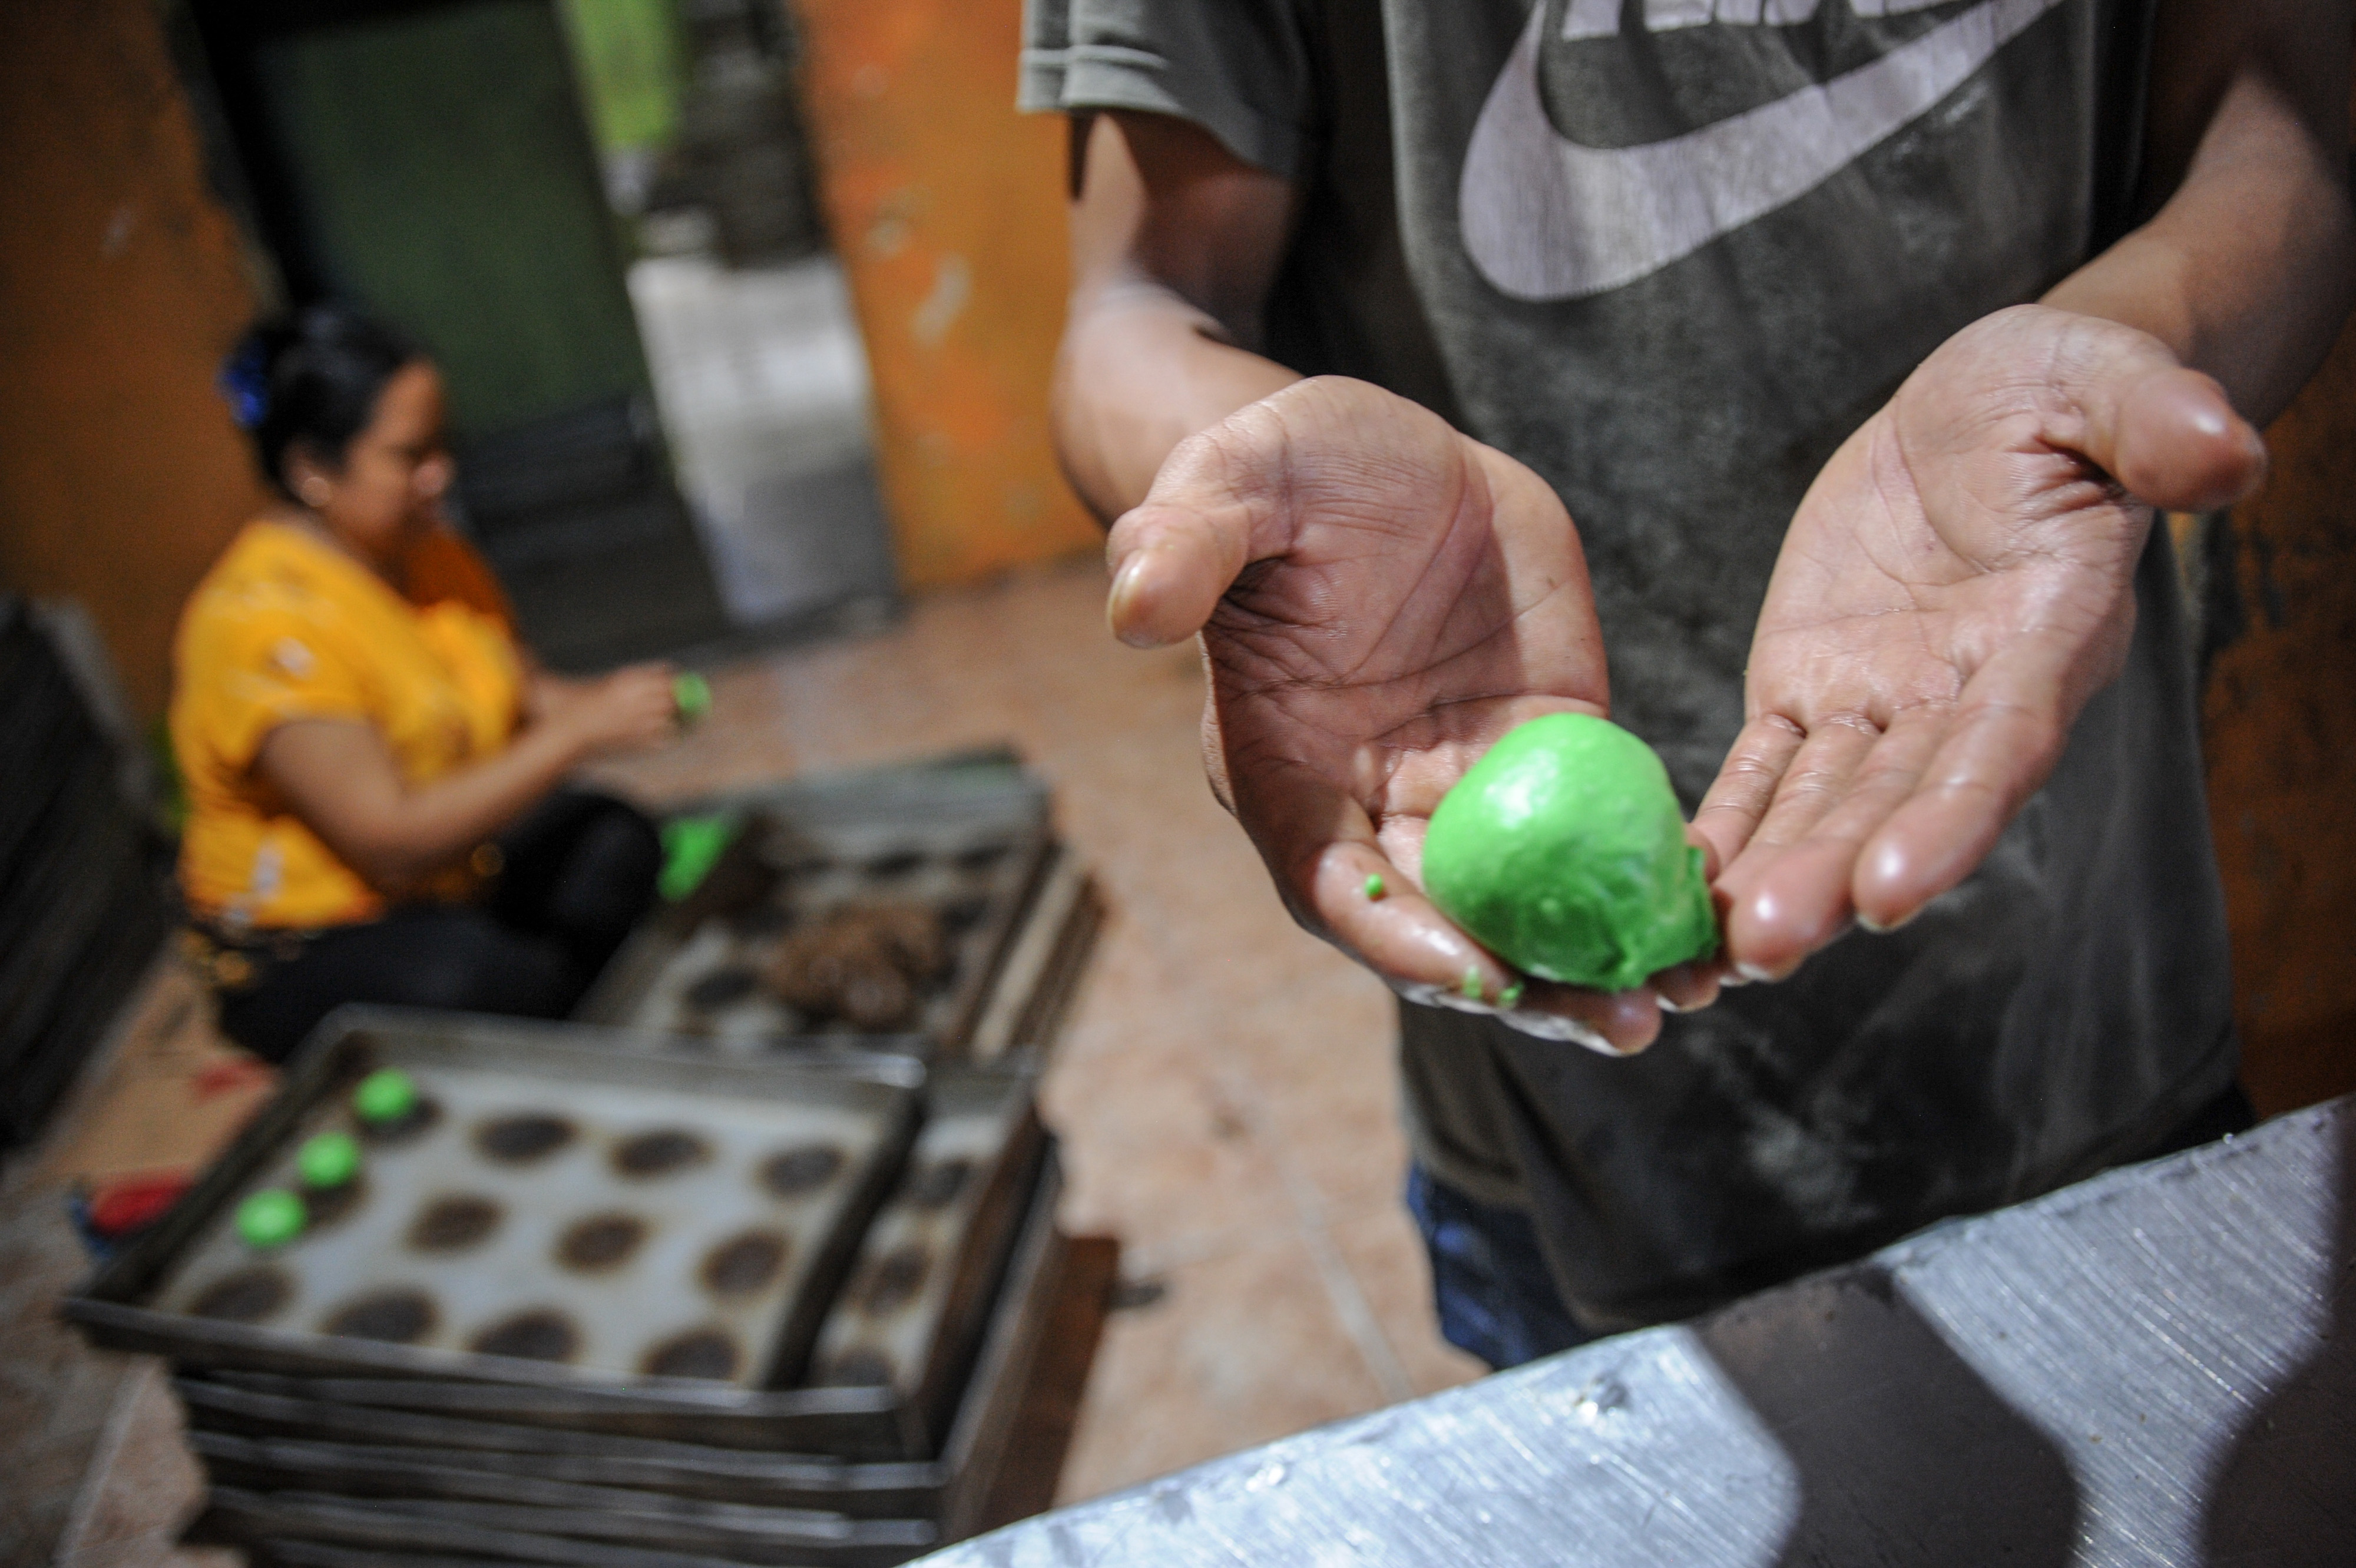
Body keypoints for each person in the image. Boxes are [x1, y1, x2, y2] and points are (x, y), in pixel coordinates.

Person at [1023, 0, 2353, 1365]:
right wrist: (1231, 459)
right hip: (1564, 1139)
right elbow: (1135, 305)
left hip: (2084, 989)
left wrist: (2137, 342)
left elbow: (2285, 139)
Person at [173, 306, 683, 1063]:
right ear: (312, 469)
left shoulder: (426, 551)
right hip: (313, 938)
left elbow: (524, 694)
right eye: (409, 456)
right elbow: (392, 843)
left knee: (616, 841)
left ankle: (539, 1017)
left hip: (450, 879)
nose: (439, 474)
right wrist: (577, 734)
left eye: (441, 446)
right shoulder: (265, 629)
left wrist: (621, 705)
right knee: (481, 979)